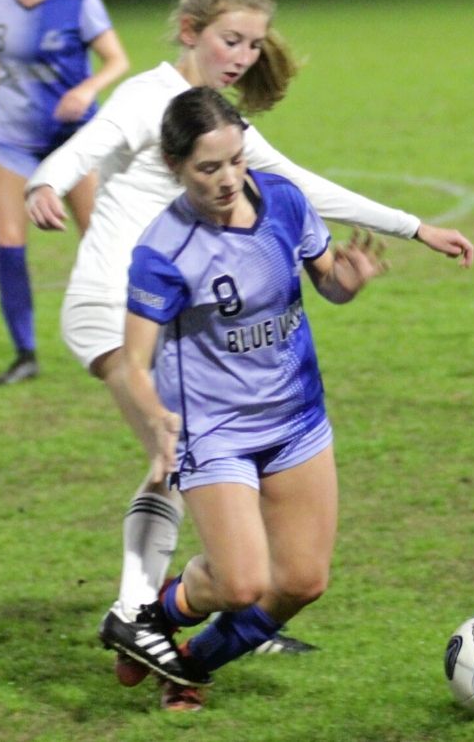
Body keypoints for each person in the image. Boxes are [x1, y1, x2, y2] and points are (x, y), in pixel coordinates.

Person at [24, 0, 473, 687]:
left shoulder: (221, 128)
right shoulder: (146, 98)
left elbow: (301, 187)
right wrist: (43, 181)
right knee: (175, 451)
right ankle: (143, 613)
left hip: (173, 307)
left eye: (254, 44)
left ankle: (208, 602)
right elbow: (89, 143)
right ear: (189, 32)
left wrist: (414, 227)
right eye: (231, 39)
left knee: (191, 462)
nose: (242, 55)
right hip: (112, 299)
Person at [104, 86, 386, 711]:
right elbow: (133, 357)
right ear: (176, 167)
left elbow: (327, 287)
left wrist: (350, 280)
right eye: (209, 168)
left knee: (303, 581)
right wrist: (153, 418)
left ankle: (190, 665)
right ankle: (150, 615)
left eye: (236, 160)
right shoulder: (164, 251)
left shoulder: (283, 202)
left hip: (296, 418)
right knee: (241, 582)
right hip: (216, 430)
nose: (229, 179)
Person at [0, 0, 129, 385]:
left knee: (99, 241)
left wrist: (86, 89)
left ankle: (124, 339)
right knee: (9, 243)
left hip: (73, 141)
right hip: (12, 138)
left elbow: (116, 60)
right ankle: (25, 353)